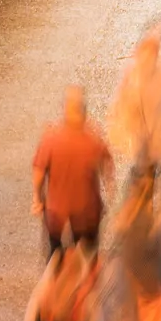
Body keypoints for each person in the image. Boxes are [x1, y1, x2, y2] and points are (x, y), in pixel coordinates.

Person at [33, 85, 114, 256]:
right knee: (88, 257)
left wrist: (37, 199)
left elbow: (39, 172)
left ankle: (57, 273)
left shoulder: (51, 140)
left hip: (57, 215)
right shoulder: (93, 140)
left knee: (55, 257)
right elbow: (107, 167)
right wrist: (109, 192)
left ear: (65, 111)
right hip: (87, 214)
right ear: (84, 113)